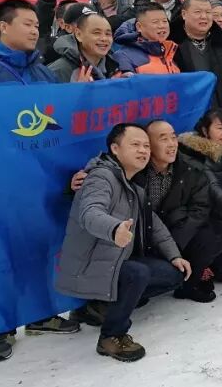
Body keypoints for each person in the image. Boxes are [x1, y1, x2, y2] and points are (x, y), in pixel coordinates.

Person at [0, 0, 81, 359]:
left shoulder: (42, 72)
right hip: (3, 183)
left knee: (43, 245)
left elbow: (61, 117)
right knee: (2, 253)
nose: (34, 30)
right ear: (3, 27)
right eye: (27, 24)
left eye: (37, 25)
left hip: (43, 178)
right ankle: (2, 326)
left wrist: (79, 95)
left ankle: (41, 314)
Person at [56, 123, 191, 363]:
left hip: (114, 260)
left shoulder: (132, 184)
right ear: (115, 148)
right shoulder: (101, 177)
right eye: (135, 145)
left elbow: (155, 224)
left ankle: (103, 305)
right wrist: (114, 228)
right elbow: (90, 212)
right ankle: (111, 336)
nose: (143, 150)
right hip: (88, 266)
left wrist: (175, 255)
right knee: (137, 273)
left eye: (146, 146)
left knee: (174, 274)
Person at [131, 121, 222, 303]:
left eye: (173, 137)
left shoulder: (190, 168)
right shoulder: (134, 168)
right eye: (163, 139)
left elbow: (200, 209)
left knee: (220, 233)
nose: (172, 144)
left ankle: (190, 282)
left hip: (175, 234)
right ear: (148, 145)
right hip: (142, 238)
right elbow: (106, 168)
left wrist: (173, 245)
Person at [176, 109, 222, 283]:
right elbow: (212, 185)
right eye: (220, 128)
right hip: (203, 218)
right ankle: (198, 264)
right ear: (205, 131)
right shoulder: (194, 154)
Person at [47, 12, 122, 82]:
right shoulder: (58, 70)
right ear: (78, 34)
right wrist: (77, 90)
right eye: (97, 33)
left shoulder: (114, 67)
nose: (104, 39)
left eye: (108, 34)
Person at [113, 5, 180, 75]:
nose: (162, 26)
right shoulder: (123, 55)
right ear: (139, 27)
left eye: (165, 21)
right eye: (155, 22)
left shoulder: (171, 51)